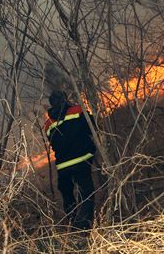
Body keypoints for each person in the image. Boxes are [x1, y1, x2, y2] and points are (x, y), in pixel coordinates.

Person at [45, 90, 96, 230]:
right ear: (65, 99)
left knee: (67, 195)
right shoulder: (78, 110)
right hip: (82, 160)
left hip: (62, 166)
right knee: (86, 191)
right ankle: (85, 226)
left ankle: (74, 224)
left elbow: (52, 141)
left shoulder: (48, 123)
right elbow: (93, 127)